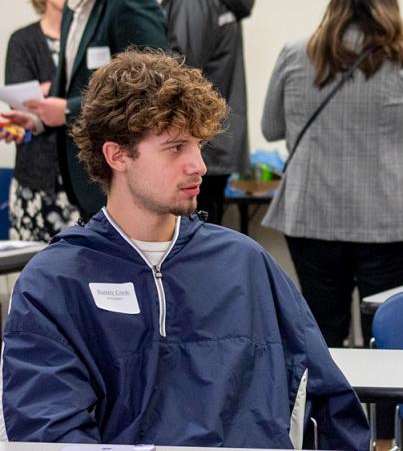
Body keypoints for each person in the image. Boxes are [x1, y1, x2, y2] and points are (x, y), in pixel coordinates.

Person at [0, 49, 369, 450]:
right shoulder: (56, 282)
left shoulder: (246, 263)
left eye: (199, 145)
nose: (199, 165)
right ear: (117, 155)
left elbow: (328, 406)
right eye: (176, 148)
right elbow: (47, 432)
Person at [261, 0, 403, 347]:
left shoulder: (294, 52)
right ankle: (381, 402)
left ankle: (326, 400)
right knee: (384, 328)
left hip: (312, 212)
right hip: (388, 217)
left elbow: (270, 127)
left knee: (322, 331)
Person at [1, 0, 169, 220]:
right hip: (82, 181)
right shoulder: (74, 10)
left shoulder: (127, 3)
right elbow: (68, 85)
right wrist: (38, 120)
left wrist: (68, 110)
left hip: (119, 176)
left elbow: (155, 84)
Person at [161, 0, 253, 224]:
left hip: (196, 144)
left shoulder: (193, 3)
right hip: (212, 142)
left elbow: (179, 74)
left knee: (191, 240)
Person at [3, 0, 80, 241]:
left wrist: (47, 91)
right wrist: (71, 95)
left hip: (84, 178)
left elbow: (102, 95)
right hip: (35, 180)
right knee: (32, 270)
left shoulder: (86, 37)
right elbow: (22, 99)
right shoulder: (23, 40)